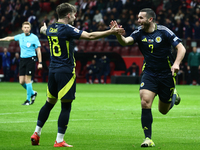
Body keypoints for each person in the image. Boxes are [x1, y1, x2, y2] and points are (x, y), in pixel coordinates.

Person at [30, 2, 124, 147]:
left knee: (49, 103)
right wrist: (110, 32)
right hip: (66, 71)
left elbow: (44, 30)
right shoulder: (67, 29)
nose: (75, 16)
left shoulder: (51, 28)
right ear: (68, 15)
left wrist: (43, 29)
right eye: (73, 14)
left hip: (53, 71)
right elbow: (90, 36)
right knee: (66, 106)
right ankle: (59, 140)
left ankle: (36, 133)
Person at [110, 8, 186, 147]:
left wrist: (176, 64)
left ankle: (173, 95)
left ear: (150, 19)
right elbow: (126, 42)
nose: (138, 20)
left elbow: (181, 48)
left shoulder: (164, 31)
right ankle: (148, 138)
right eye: (138, 18)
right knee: (145, 102)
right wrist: (118, 35)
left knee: (163, 110)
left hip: (166, 74)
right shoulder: (139, 32)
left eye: (141, 18)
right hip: (149, 73)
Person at [0, 21, 43, 105]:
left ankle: (28, 100)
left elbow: (38, 50)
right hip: (22, 60)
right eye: (25, 27)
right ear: (22, 29)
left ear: (30, 29)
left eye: (28, 27)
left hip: (31, 59)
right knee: (21, 82)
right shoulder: (20, 36)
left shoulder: (34, 37)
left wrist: (40, 62)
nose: (26, 29)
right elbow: (9, 38)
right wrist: (1, 39)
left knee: (27, 80)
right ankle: (33, 93)